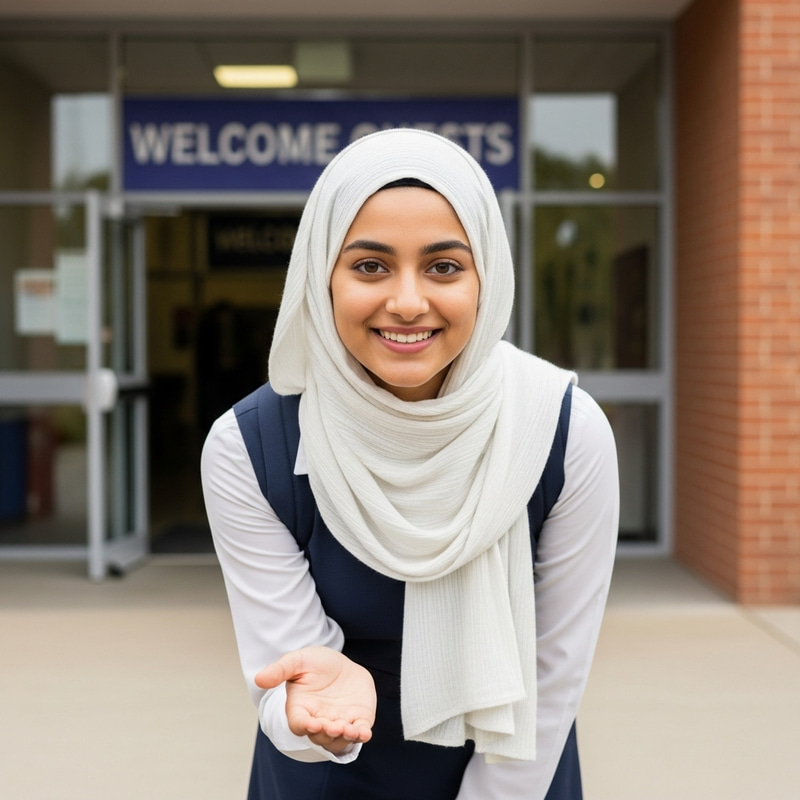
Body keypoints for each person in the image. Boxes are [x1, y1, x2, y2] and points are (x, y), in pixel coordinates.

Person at [201, 128, 619, 800]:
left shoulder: (563, 433)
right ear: (322, 277)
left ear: (488, 279)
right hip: (327, 779)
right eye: (369, 266)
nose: (406, 301)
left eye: (444, 267)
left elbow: (556, 670)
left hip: (515, 773)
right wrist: (311, 719)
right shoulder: (250, 448)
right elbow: (281, 677)